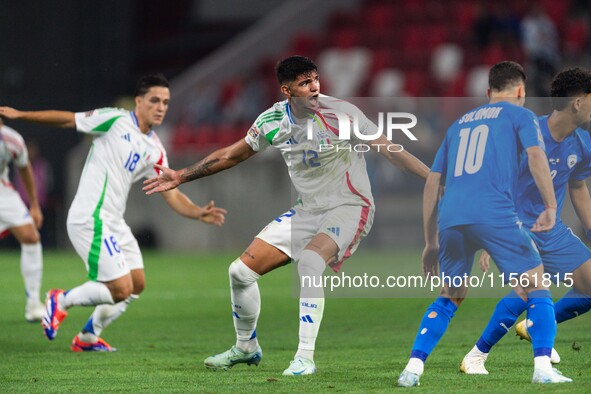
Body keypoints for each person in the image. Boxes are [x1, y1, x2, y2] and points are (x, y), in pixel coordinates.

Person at [143, 56, 429, 375]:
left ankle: (304, 358)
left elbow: (389, 148)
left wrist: (432, 179)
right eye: (305, 83)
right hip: (308, 211)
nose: (315, 87)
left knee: (309, 262)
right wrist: (182, 175)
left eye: (315, 79)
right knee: (239, 272)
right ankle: (246, 347)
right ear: (287, 90)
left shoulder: (343, 114)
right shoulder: (272, 121)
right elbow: (230, 155)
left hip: (350, 206)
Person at [0, 74, 227, 352]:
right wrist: (22, 115)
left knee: (136, 285)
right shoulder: (115, 120)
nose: (160, 107)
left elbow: (172, 192)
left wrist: (197, 213)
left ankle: (87, 338)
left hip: (113, 221)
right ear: (138, 101)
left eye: (165, 102)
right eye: (154, 100)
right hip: (90, 217)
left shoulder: (155, 148)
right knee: (119, 288)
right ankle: (60, 299)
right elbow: (67, 119)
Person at [397, 61, 568, 387]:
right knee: (536, 285)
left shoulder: (457, 124)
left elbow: (433, 183)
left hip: (451, 218)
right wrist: (550, 205)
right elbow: (535, 157)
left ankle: (413, 368)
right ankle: (543, 369)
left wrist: (430, 241)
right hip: (495, 213)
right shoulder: (522, 116)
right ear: (520, 90)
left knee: (450, 296)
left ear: (488, 92)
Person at [460, 67, 591, 374]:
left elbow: (578, 186)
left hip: (552, 230)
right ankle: (477, 355)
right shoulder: (526, 134)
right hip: (515, 228)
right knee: (528, 290)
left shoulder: (583, 144)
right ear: (577, 103)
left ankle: (535, 325)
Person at [0, 118, 45, 322]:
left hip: (3, 193)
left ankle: (34, 304)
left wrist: (34, 205)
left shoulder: (12, 140)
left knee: (30, 236)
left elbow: (24, 167)